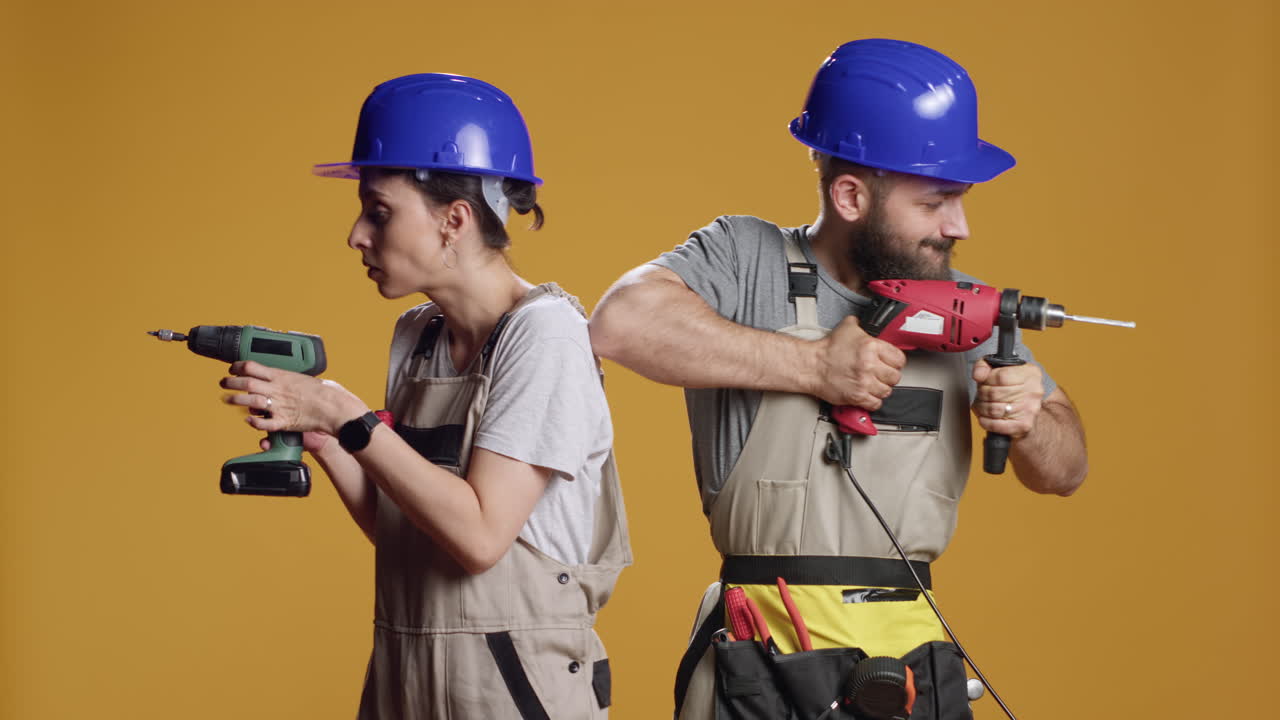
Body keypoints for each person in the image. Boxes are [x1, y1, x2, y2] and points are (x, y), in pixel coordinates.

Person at [589, 39, 1087, 720]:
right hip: (761, 659)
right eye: (937, 201)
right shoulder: (745, 258)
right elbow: (620, 323)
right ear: (851, 194)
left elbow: (1066, 470)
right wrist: (815, 366)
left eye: (961, 200)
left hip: (907, 665)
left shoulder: (964, 307)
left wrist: (1031, 417)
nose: (959, 225)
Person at [219, 73, 630, 719]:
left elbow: (479, 538)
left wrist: (345, 414)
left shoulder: (545, 334)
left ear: (454, 220)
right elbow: (408, 532)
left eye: (379, 211)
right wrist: (328, 440)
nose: (357, 234)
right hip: (405, 677)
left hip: (511, 692)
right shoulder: (419, 334)